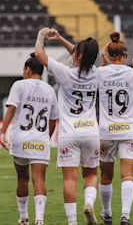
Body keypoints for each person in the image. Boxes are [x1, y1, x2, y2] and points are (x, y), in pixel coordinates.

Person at [35, 28, 100, 225]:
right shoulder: (96, 73)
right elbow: (82, 54)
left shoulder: (66, 73)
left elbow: (39, 54)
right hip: (91, 132)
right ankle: (89, 203)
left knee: (70, 179)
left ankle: (72, 222)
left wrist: (41, 37)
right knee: (90, 174)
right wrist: (62, 39)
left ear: (78, 55)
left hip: (69, 133)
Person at [98, 32, 133, 225]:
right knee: (127, 175)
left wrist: (103, 63)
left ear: (108, 55)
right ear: (125, 56)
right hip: (129, 130)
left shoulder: (100, 72)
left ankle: (106, 214)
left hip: (106, 131)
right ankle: (125, 216)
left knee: (105, 176)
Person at [0, 53, 59, 225]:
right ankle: (39, 220)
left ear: (28, 69)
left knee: (22, 178)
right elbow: (53, 121)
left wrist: (2, 131)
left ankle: (24, 217)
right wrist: (45, 138)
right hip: (40, 140)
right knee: (39, 179)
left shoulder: (19, 85)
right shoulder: (49, 90)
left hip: (20, 139)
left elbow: (11, 109)